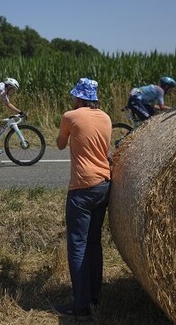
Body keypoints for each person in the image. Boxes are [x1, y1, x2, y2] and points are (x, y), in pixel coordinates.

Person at [53, 78, 112, 322]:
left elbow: (59, 144)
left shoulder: (71, 116)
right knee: (94, 243)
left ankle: (80, 306)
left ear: (78, 97)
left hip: (82, 187)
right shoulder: (106, 117)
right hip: (104, 184)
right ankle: (94, 297)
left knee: (77, 245)